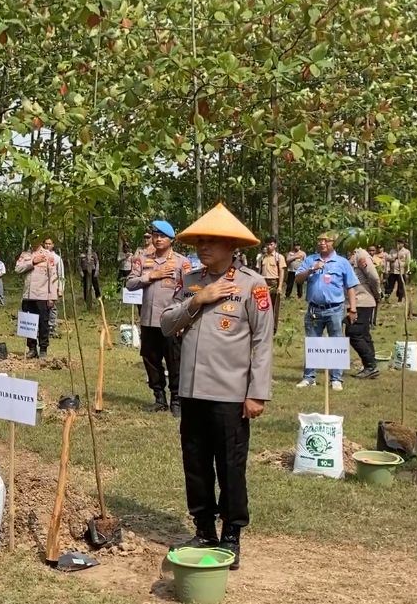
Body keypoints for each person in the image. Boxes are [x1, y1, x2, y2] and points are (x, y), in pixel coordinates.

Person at [159, 203, 273, 570]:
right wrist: (197, 300)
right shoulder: (191, 281)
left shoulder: (252, 285)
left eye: (211, 241)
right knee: (195, 464)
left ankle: (231, 535)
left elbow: (262, 342)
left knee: (230, 466)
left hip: (229, 394)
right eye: (200, 242)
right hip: (191, 392)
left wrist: (257, 392)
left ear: (230, 247)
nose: (203, 247)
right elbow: (165, 324)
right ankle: (204, 528)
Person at [127, 220, 192, 415]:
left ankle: (177, 401)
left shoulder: (182, 262)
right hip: (148, 319)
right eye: (155, 235)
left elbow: (189, 291)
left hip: (172, 321)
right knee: (151, 360)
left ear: (171, 239)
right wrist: (152, 275)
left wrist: (184, 319)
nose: (157, 239)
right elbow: (130, 283)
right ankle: (159, 398)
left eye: (162, 236)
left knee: (175, 360)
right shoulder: (142, 259)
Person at [295, 231, 359, 390]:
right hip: (314, 309)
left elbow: (350, 286)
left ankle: (336, 379)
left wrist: (353, 309)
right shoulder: (310, 259)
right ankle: (309, 377)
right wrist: (311, 269)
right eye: (319, 240)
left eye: (326, 240)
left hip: (335, 309)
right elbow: (298, 279)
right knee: (312, 342)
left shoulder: (342, 262)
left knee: (336, 342)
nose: (322, 243)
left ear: (333, 243)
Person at [15, 237, 58, 359]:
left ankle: (43, 349)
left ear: (40, 241)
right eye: (32, 238)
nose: (33, 241)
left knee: (43, 323)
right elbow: (17, 269)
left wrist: (52, 297)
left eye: (36, 239)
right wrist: (32, 262)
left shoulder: (48, 255)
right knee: (29, 324)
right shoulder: (25, 255)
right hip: (28, 296)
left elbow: (53, 277)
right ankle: (32, 348)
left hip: (42, 296)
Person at [347, 244, 381, 378]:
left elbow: (374, 277)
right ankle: (371, 365)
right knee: (364, 334)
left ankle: (370, 365)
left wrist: (377, 294)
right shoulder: (347, 255)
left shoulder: (360, 254)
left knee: (354, 333)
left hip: (362, 300)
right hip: (353, 300)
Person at [255, 237, 287, 331]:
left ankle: (273, 328)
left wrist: (280, 286)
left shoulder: (279, 257)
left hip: (274, 282)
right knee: (261, 305)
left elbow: (282, 272)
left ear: (275, 245)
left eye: (271, 244)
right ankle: (262, 326)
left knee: (273, 306)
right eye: (267, 244)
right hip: (263, 282)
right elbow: (258, 271)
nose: (269, 246)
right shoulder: (261, 257)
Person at [383, 239, 411, 304]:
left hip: (401, 271)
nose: (398, 245)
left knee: (401, 286)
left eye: (400, 243)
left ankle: (400, 299)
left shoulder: (406, 251)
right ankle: (386, 297)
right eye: (397, 243)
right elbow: (388, 258)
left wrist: (407, 271)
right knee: (389, 285)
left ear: (403, 244)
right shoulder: (392, 251)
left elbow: (408, 261)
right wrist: (394, 257)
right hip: (393, 271)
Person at [48, 239, 65, 337]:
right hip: (42, 287)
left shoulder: (57, 258)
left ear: (53, 245)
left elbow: (61, 274)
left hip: (54, 286)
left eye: (49, 244)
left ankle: (52, 327)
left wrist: (61, 288)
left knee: (52, 307)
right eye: (46, 243)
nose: (47, 245)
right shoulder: (41, 256)